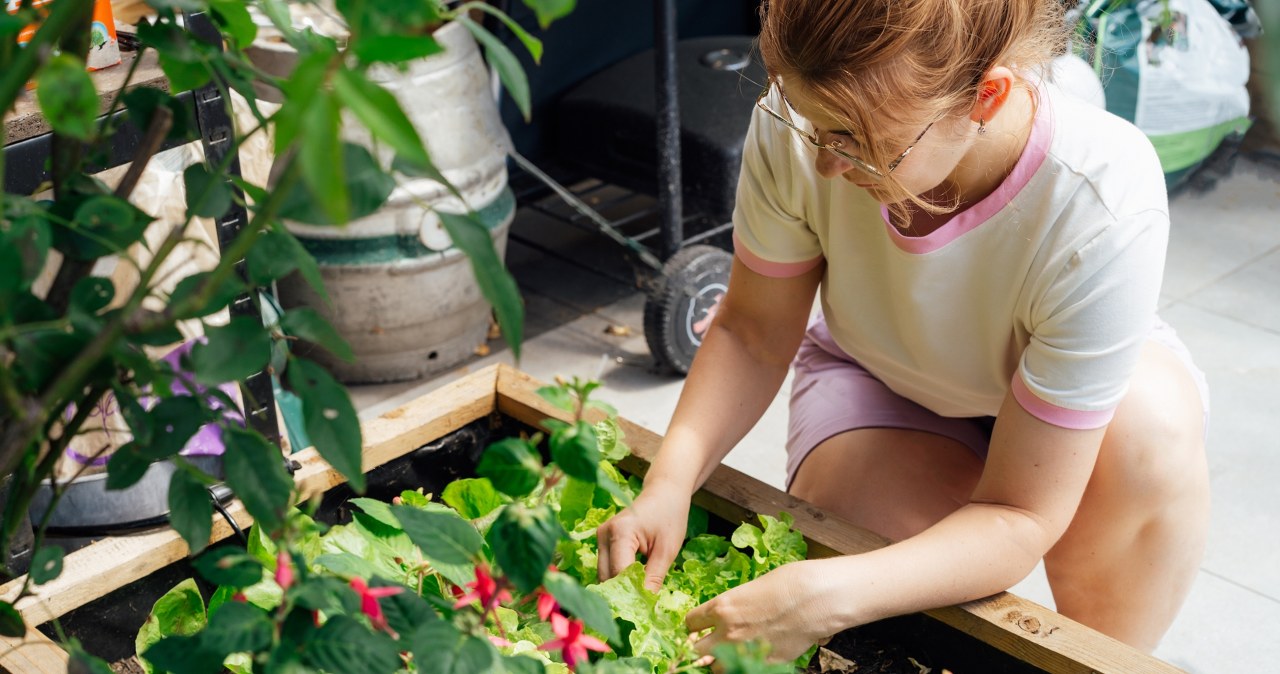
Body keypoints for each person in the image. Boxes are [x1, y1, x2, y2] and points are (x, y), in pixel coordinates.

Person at [595, 0, 1211, 660]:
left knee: (1150, 437)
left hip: (1074, 417)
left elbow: (1022, 513)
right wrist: (668, 483)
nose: (828, 164)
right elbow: (751, 332)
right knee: (874, 568)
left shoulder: (1101, 196)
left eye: (861, 142)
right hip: (882, 374)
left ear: (987, 96)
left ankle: (1101, 659)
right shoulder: (797, 120)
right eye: (815, 127)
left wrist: (825, 593)